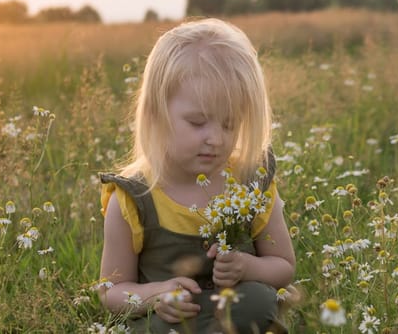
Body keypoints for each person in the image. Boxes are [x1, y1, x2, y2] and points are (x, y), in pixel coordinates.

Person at [97, 18, 295, 334]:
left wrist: (247, 267)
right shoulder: (133, 199)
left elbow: (284, 267)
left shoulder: (248, 182)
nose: (215, 138)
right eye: (197, 122)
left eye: (229, 124)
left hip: (234, 309)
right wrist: (154, 296)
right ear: (155, 114)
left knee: (258, 300)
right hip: (172, 320)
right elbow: (111, 292)